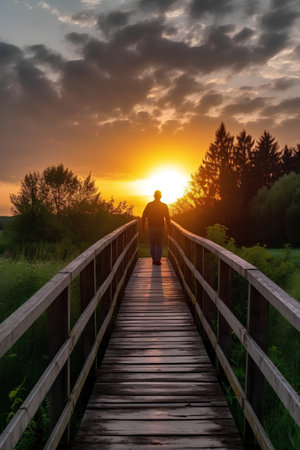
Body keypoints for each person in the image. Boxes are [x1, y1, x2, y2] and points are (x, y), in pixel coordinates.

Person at [142, 190, 170, 265]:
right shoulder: (164, 205)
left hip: (151, 227)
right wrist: (169, 227)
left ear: (154, 196)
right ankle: (158, 260)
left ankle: (154, 260)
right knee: (160, 244)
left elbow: (144, 215)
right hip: (160, 227)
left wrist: (142, 226)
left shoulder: (149, 205)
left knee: (152, 244)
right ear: (160, 196)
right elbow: (167, 218)